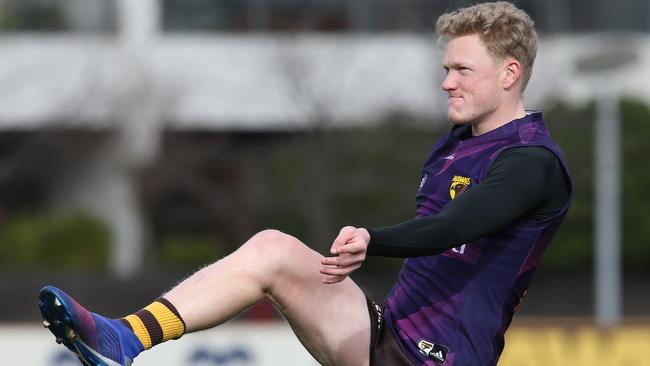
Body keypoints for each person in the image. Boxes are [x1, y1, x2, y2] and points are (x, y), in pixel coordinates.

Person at [38, 2, 571, 365]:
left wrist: (373, 239)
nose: (446, 81)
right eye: (446, 67)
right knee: (272, 250)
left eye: (463, 70)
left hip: (442, 359)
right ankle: (123, 339)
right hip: (384, 336)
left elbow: (458, 224)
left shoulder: (531, 162)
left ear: (510, 73)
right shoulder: (457, 141)